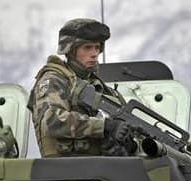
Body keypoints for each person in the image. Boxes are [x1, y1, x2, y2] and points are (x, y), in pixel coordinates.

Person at [27, 18, 135, 157]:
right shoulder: (54, 80)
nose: (94, 54)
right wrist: (105, 126)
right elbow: (52, 121)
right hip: (66, 171)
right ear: (71, 51)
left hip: (104, 169)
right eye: (87, 47)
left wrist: (127, 144)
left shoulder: (101, 88)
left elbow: (123, 129)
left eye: (97, 47)